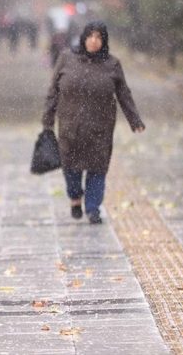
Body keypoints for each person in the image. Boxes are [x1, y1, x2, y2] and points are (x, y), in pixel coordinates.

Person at [42, 21, 145, 224]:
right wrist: (48, 119)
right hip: (71, 127)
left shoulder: (112, 64)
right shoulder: (66, 59)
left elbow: (124, 94)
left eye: (99, 37)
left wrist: (135, 120)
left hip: (101, 128)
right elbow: (53, 91)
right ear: (83, 38)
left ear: (104, 41)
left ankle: (93, 208)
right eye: (90, 36)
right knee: (70, 167)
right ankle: (75, 197)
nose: (94, 41)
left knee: (98, 168)